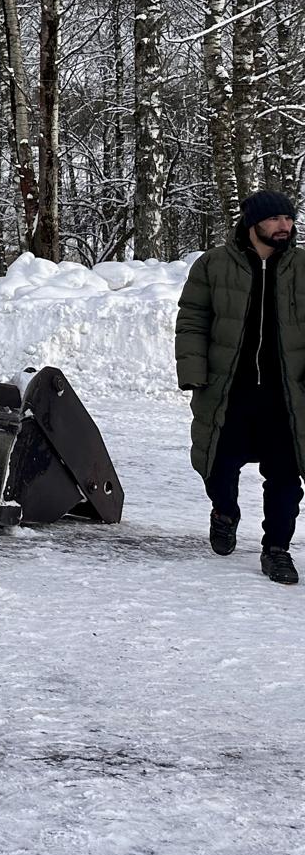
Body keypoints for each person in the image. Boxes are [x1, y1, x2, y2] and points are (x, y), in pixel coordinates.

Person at [176, 188, 305, 585]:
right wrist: (195, 371)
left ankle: (277, 549)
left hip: (287, 393)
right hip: (229, 388)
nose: (285, 226)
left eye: (289, 219)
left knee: (286, 475)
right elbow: (193, 319)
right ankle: (225, 512)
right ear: (253, 224)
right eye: (276, 219)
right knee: (217, 464)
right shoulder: (213, 265)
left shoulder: (303, 266)